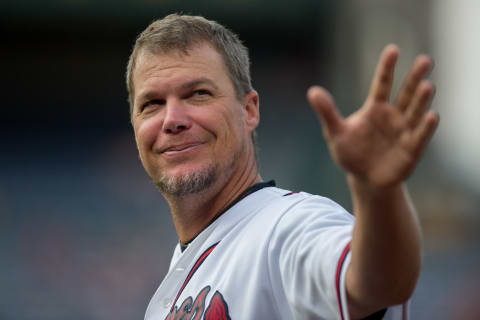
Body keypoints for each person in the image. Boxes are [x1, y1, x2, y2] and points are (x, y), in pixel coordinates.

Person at [126, 14, 439, 320]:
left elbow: (376, 284)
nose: (172, 120)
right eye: (152, 104)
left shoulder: (285, 228)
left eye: (198, 94)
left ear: (249, 111)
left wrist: (378, 192)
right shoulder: (179, 281)